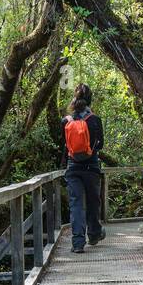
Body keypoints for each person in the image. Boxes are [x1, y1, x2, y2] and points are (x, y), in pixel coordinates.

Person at [61, 83, 105, 253]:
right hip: (91, 167)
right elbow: (100, 144)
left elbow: (64, 144)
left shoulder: (67, 121)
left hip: (73, 168)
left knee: (76, 204)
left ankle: (78, 243)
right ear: (90, 99)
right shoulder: (95, 120)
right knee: (93, 202)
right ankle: (94, 234)